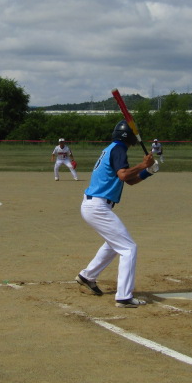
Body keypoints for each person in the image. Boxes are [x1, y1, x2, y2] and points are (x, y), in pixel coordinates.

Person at [75, 120, 158, 308]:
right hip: (97, 206)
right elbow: (123, 175)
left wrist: (148, 172)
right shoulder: (118, 149)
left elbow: (130, 181)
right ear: (128, 137)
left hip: (94, 205)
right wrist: (143, 164)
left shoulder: (113, 148)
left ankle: (87, 276)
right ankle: (124, 297)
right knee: (128, 248)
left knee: (114, 244)